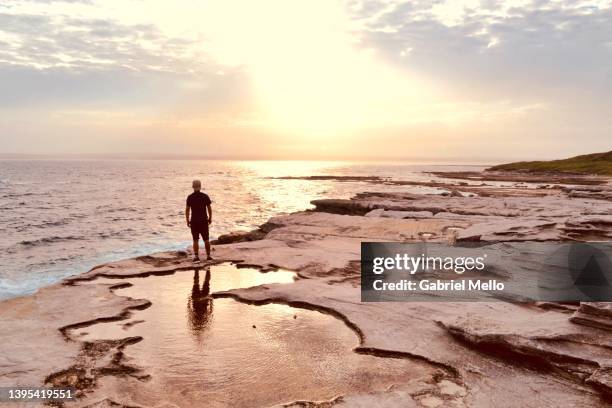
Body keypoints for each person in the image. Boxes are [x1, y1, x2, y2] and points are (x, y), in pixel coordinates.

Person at [185, 180, 212, 262]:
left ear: (193, 187)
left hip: (194, 221)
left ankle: (196, 257)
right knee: (206, 239)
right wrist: (210, 218)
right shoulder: (205, 196)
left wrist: (187, 220)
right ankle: (208, 256)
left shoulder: (190, 197)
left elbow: (187, 210)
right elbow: (209, 208)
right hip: (204, 220)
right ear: (200, 186)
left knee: (195, 240)